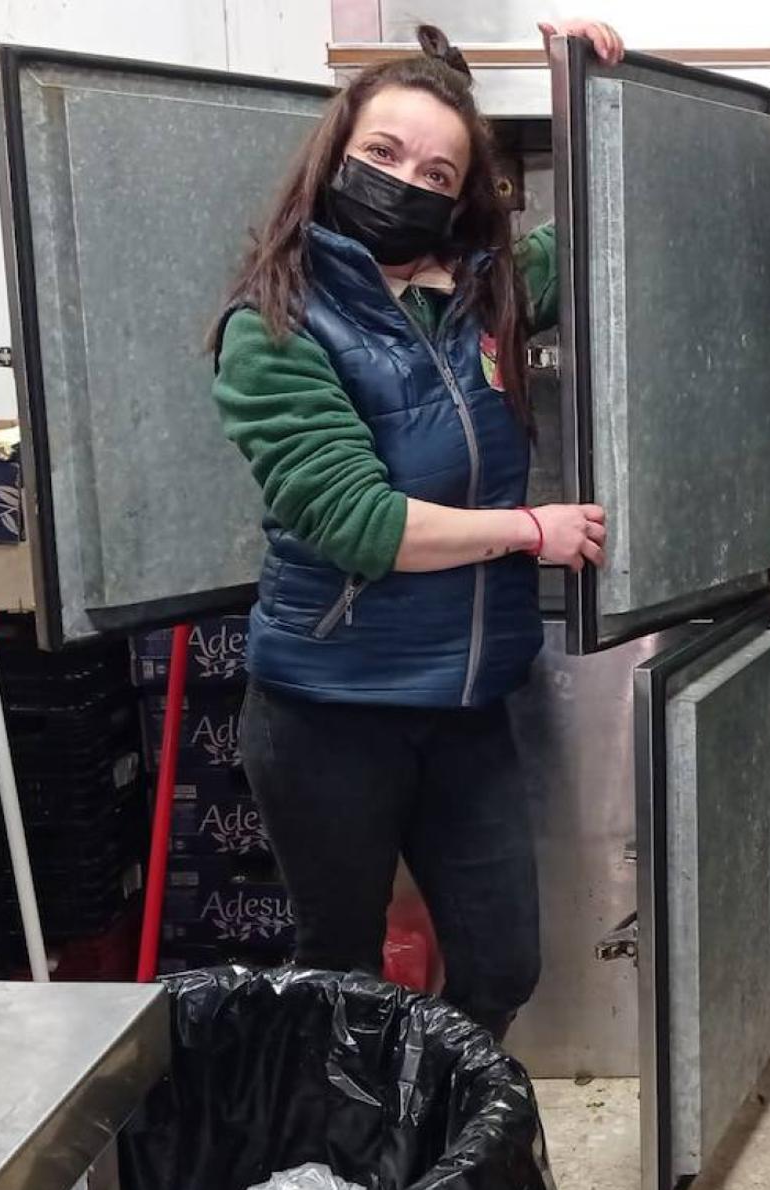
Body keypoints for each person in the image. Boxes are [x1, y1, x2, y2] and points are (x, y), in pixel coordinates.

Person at [211, 18, 625, 1039]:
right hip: (329, 709)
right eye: (385, 155)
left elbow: (599, 233)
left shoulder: (485, 297)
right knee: (340, 975)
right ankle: (342, 1163)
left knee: (502, 967)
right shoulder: (278, 325)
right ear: (336, 155)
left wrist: (597, 98)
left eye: (439, 171)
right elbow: (358, 522)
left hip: (465, 703)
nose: (410, 182)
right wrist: (531, 530)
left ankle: (420, 1119)